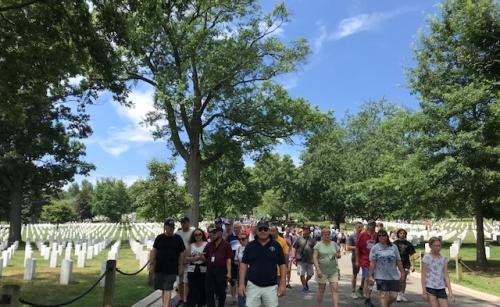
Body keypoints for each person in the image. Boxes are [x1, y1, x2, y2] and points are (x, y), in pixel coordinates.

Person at [239, 221, 286, 307]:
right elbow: (243, 265)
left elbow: (282, 265)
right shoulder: (250, 246)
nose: (263, 231)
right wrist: (241, 284)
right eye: (260, 229)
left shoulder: (276, 245)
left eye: (265, 229)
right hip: (253, 285)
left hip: (271, 286)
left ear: (269, 231)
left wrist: (283, 284)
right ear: (256, 231)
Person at [149, 219, 186, 307]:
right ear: (165, 227)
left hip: (172, 268)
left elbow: (182, 253)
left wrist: (181, 266)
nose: (171, 229)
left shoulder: (178, 238)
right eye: (169, 227)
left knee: (168, 288)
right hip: (160, 268)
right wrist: (151, 264)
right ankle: (166, 304)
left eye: (172, 227)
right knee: (163, 288)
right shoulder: (159, 238)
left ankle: (165, 305)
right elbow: (154, 251)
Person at [368, 229, 404, 307]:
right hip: (381, 276)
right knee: (383, 295)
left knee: (393, 296)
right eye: (379, 236)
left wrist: (402, 273)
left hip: (393, 276)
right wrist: (370, 275)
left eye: (383, 235)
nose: (381, 237)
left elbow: (398, 260)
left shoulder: (394, 247)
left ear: (387, 236)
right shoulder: (375, 248)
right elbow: (372, 263)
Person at [203, 224, 233, 307]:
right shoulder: (209, 245)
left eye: (214, 233)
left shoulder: (226, 245)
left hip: (221, 271)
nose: (211, 235)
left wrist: (229, 272)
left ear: (220, 234)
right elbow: (204, 256)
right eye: (210, 233)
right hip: (210, 271)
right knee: (209, 292)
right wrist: (200, 256)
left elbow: (228, 259)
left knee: (221, 293)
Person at [421, 237, 454, 307]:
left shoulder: (443, 258)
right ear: (430, 246)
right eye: (436, 246)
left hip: (441, 286)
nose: (438, 248)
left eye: (439, 246)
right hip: (430, 286)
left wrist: (450, 292)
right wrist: (424, 291)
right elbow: (423, 275)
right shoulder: (426, 258)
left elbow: (446, 275)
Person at [312, 228, 341, 307]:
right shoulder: (318, 245)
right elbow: (314, 257)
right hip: (322, 270)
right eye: (325, 234)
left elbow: (339, 254)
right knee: (321, 289)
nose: (327, 236)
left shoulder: (334, 244)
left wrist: (337, 255)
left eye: (328, 234)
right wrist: (318, 270)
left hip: (333, 270)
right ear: (322, 235)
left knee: (335, 288)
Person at [356, 220, 377, 307]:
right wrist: (357, 261)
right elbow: (357, 248)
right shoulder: (363, 235)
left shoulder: (377, 235)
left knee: (372, 280)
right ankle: (367, 297)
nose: (372, 227)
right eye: (370, 225)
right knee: (368, 278)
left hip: (375, 261)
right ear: (368, 226)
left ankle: (367, 295)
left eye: (373, 225)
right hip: (365, 260)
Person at [185, 228, 208, 307]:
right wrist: (193, 259)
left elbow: (208, 258)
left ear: (202, 235)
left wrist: (202, 258)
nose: (198, 236)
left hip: (203, 267)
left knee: (202, 287)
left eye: (199, 234)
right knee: (192, 288)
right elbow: (186, 257)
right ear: (193, 236)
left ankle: (201, 304)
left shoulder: (206, 244)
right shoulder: (191, 245)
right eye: (196, 235)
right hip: (192, 267)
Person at [393, 228, 416, 302]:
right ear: (398, 234)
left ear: (405, 235)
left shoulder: (408, 244)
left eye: (403, 233)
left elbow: (412, 255)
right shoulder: (395, 243)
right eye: (401, 233)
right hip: (397, 263)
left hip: (406, 264)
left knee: (403, 279)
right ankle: (397, 293)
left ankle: (401, 294)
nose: (402, 235)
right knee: (399, 279)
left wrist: (413, 265)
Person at [176, 216, 194, 307]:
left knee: (186, 281)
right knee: (180, 282)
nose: (182, 224)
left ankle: (186, 299)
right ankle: (181, 298)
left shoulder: (192, 233)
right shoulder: (178, 233)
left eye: (184, 222)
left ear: (188, 223)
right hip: (179, 262)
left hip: (189, 260)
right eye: (181, 223)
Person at [293, 225, 316, 294]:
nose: (305, 231)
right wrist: (294, 257)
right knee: (301, 274)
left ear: (309, 231)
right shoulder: (299, 239)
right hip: (300, 259)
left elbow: (315, 250)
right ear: (302, 231)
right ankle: (304, 287)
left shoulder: (312, 240)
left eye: (306, 229)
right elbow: (294, 248)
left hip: (310, 260)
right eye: (304, 229)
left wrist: (314, 258)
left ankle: (305, 282)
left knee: (310, 274)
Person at [347, 221, 364, 299]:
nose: (360, 229)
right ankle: (353, 292)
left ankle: (361, 288)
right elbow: (348, 247)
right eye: (359, 227)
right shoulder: (352, 236)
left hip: (364, 258)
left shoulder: (364, 236)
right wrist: (357, 247)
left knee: (365, 274)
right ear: (355, 227)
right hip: (355, 258)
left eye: (361, 227)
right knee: (355, 275)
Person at [235, 231, 249, 307]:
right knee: (240, 291)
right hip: (240, 271)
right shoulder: (239, 248)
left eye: (243, 239)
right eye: (239, 239)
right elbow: (236, 260)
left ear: (247, 239)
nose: (241, 241)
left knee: (250, 291)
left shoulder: (251, 248)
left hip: (250, 272)